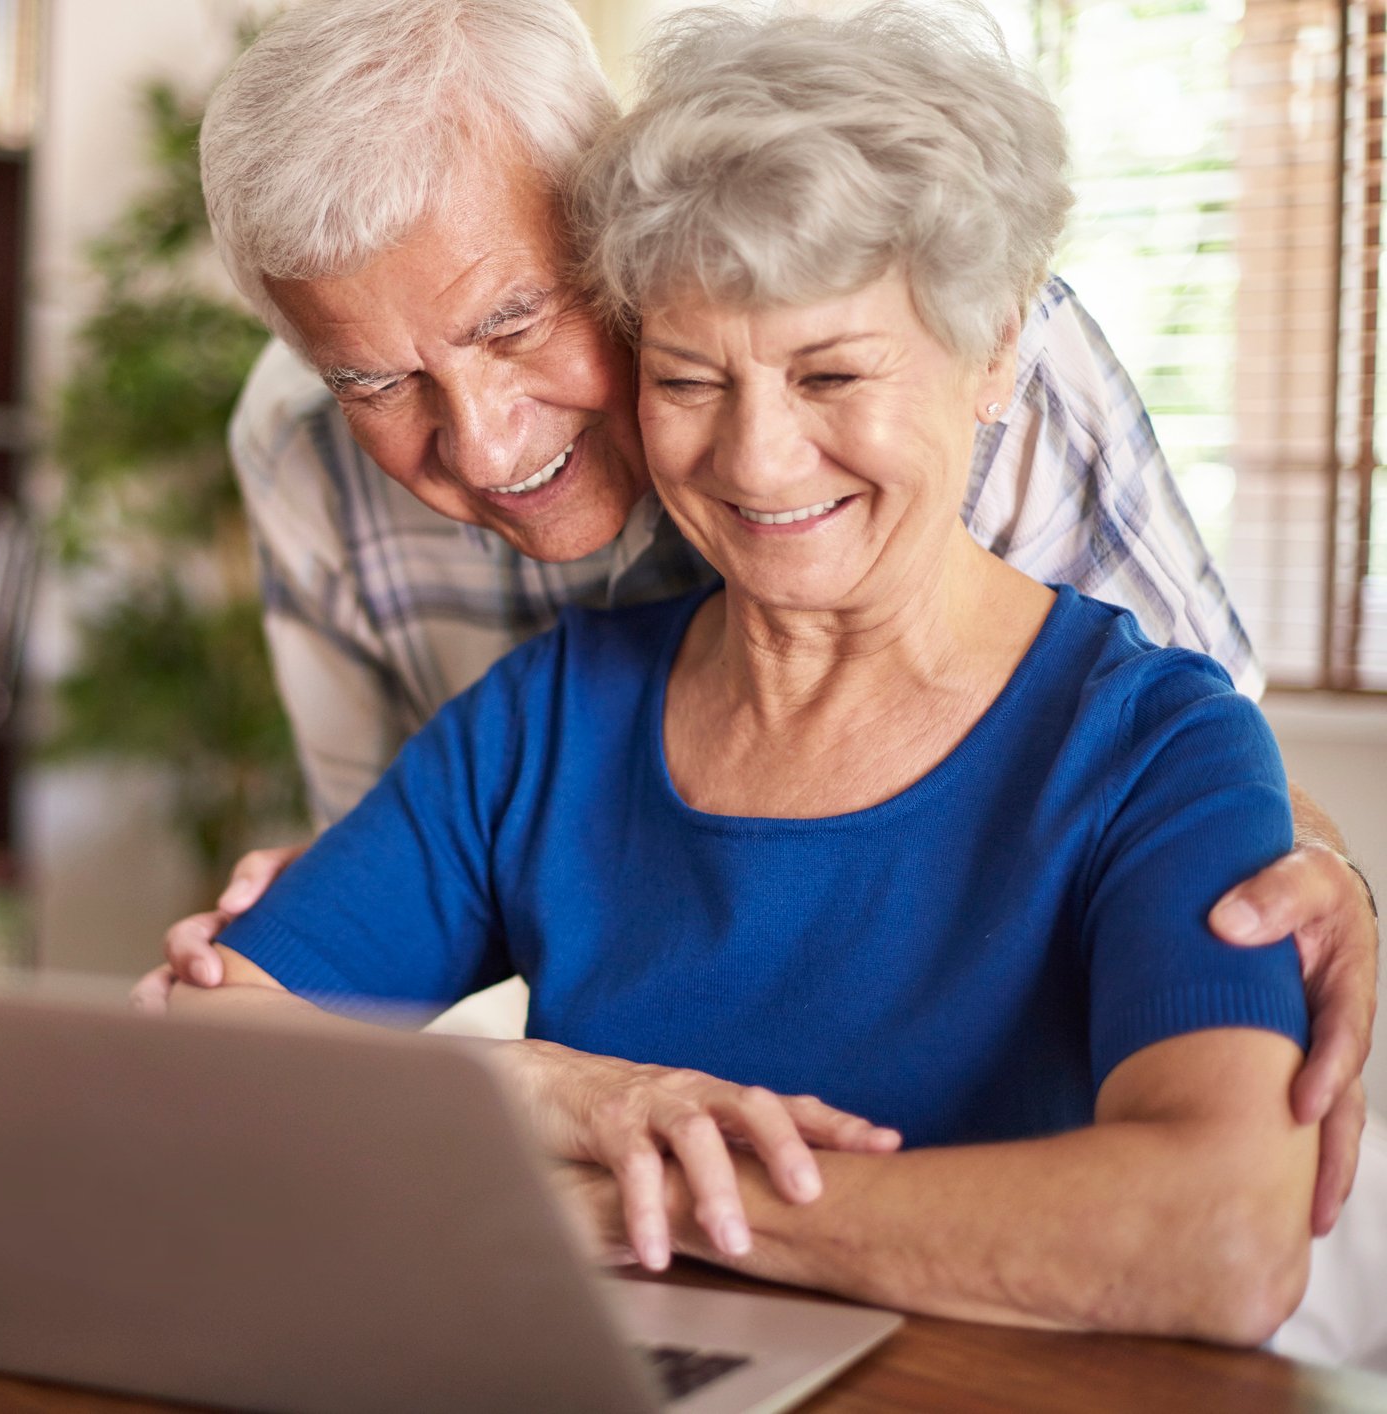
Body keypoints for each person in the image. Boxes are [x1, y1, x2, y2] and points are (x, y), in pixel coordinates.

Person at [164, 1, 1321, 1342]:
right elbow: (230, 1044)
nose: (480, 447)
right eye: (691, 379)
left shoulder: (1146, 728)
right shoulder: (538, 717)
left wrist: (636, 1206)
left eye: (828, 372)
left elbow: (1225, 1234)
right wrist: (548, 1104)